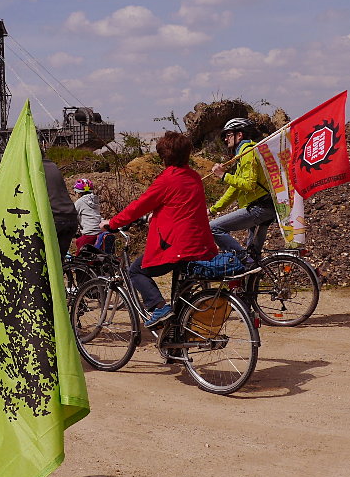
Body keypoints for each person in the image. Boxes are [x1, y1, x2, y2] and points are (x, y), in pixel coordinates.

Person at [102, 131, 218, 328]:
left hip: (177, 247)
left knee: (135, 271)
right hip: (200, 245)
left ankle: (158, 306)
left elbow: (138, 206)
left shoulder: (167, 179)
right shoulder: (194, 177)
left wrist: (112, 223)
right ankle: (176, 347)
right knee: (181, 300)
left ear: (164, 157)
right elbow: (179, 206)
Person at [209, 118, 275, 268]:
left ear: (239, 135)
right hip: (264, 207)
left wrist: (223, 175)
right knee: (254, 260)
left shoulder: (248, 152)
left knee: (213, 228)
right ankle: (250, 289)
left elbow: (249, 184)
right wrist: (213, 210)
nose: (225, 139)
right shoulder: (243, 154)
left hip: (260, 208)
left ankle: (241, 258)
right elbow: (235, 189)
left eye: (228, 134)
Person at [42, 153, 78, 261]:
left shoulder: (35, 167)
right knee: (58, 262)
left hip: (55, 218)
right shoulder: (52, 165)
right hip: (71, 217)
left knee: (42, 260)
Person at [72, 178, 104, 254]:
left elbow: (72, 216)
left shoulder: (79, 202)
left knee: (79, 260)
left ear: (78, 193)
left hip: (89, 234)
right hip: (99, 233)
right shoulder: (95, 201)